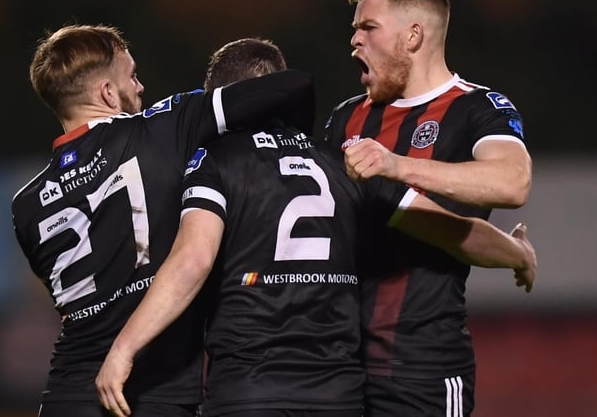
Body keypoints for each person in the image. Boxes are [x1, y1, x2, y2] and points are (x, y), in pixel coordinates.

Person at [96, 38, 535, 417]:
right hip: (337, 391)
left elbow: (193, 258)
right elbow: (451, 230)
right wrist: (518, 255)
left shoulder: (216, 161)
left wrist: (124, 348)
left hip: (250, 386)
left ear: (224, 100)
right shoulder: (341, 160)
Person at [11, 24, 316, 417]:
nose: (140, 87)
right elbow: (290, 85)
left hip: (67, 395)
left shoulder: (26, 204)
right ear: (107, 93)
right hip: (149, 393)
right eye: (132, 76)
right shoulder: (162, 128)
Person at [323, 0, 534, 416]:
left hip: (422, 367)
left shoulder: (477, 108)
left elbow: (512, 181)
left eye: (369, 27)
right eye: (355, 28)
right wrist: (513, 253)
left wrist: (397, 165)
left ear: (413, 36)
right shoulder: (345, 118)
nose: (355, 40)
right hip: (334, 363)